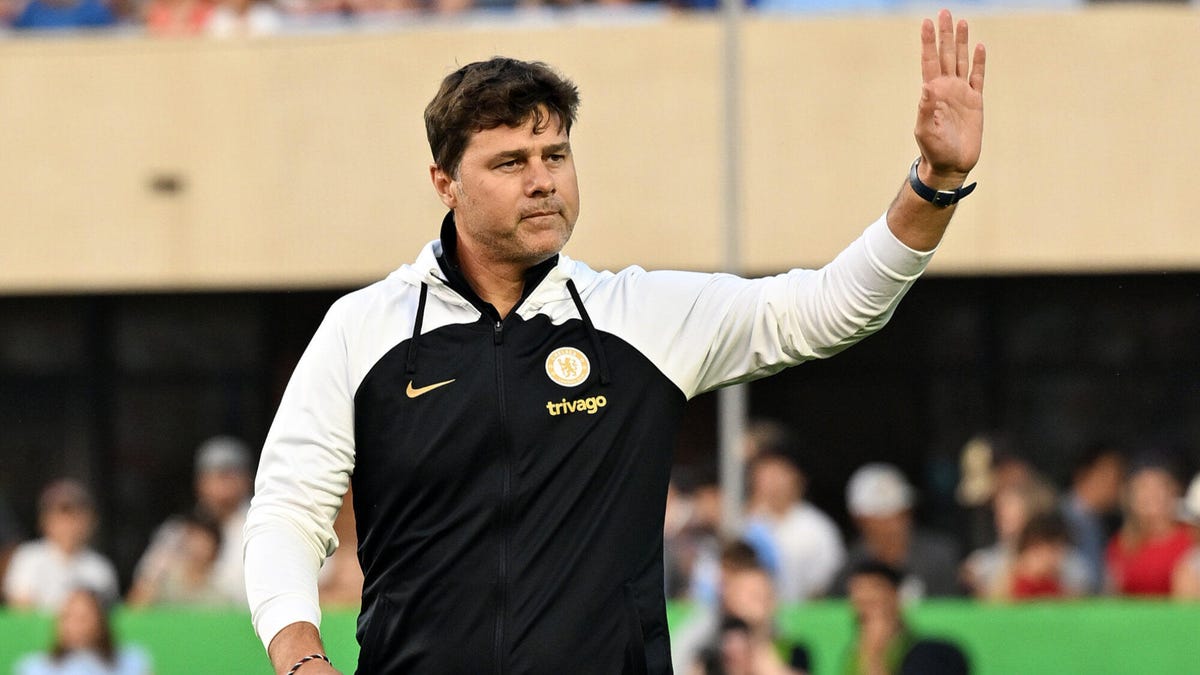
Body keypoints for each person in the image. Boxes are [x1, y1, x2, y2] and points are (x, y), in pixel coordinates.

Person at [244, 12, 986, 674]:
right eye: (510, 163)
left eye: (555, 155)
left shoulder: (640, 316)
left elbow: (828, 308)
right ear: (445, 182)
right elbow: (287, 511)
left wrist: (934, 183)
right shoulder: (362, 328)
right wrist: (300, 654)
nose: (542, 181)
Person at [132, 436, 253, 608]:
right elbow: (141, 592)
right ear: (200, 482)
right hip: (184, 628)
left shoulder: (263, 523)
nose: (223, 484)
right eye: (216, 475)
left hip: (246, 626)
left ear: (247, 479)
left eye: (230, 474)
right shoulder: (177, 531)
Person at [835, 463, 961, 600]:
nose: (896, 522)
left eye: (902, 512)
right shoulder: (852, 565)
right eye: (884, 514)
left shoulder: (940, 557)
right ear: (860, 519)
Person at [743, 451, 845, 603]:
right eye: (764, 474)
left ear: (797, 478)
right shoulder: (744, 523)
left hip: (801, 616)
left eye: (778, 473)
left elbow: (827, 584)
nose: (771, 482)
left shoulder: (816, 526)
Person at [3, 480, 119, 612]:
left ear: (90, 521)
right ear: (44, 520)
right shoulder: (28, 557)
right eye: (61, 516)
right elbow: (19, 608)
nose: (67, 525)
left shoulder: (100, 567)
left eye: (75, 516)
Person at [840, 560, 969, 675]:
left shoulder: (929, 654)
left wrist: (875, 657)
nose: (865, 596)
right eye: (859, 598)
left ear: (896, 597)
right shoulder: (853, 653)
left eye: (874, 604)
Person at [14, 588, 153, 675]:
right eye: (67, 616)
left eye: (82, 618)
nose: (73, 626)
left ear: (101, 621)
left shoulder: (133, 661)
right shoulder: (34, 667)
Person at [1106, 458, 1192, 596]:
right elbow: (1114, 595)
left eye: (1159, 487)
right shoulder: (1121, 544)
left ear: (1173, 491)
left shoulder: (1192, 537)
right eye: (1143, 488)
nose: (1152, 495)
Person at [126, 510, 229, 607]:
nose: (196, 546)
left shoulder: (220, 596)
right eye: (192, 536)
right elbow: (134, 609)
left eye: (204, 541)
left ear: (215, 550)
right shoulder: (161, 584)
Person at [1059, 442, 1125, 593]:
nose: (1116, 486)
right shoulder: (1056, 519)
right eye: (1111, 477)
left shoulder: (1107, 523)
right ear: (1084, 475)